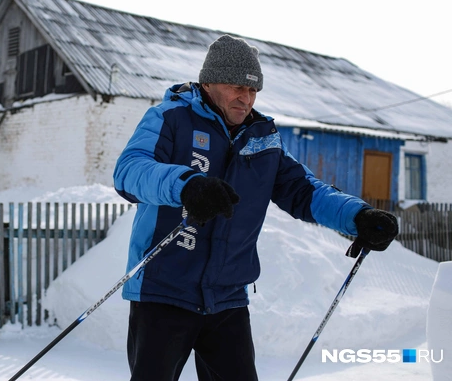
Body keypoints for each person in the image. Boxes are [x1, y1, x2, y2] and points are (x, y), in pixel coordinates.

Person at [112, 34, 399, 381]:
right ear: (208, 82)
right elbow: (129, 171)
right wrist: (186, 185)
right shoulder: (171, 117)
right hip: (163, 289)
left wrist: (358, 216)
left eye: (252, 91)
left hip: (227, 298)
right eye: (235, 87)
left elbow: (304, 190)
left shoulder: (262, 137)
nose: (245, 99)